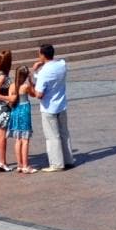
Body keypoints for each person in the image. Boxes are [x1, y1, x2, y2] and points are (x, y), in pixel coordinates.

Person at [33, 43, 72, 171]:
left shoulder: (44, 72)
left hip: (48, 107)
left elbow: (39, 94)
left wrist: (35, 72)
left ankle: (56, 163)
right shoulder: (62, 65)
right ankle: (68, 160)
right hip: (61, 104)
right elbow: (49, 77)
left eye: (39, 53)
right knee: (64, 133)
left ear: (43, 55)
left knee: (52, 136)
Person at [7, 63, 39, 173]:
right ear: (25, 76)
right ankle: (26, 165)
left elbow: (10, 100)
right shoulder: (25, 86)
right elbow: (34, 94)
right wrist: (31, 81)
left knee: (18, 139)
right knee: (25, 140)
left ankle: (19, 164)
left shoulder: (11, 86)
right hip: (24, 112)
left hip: (15, 111)